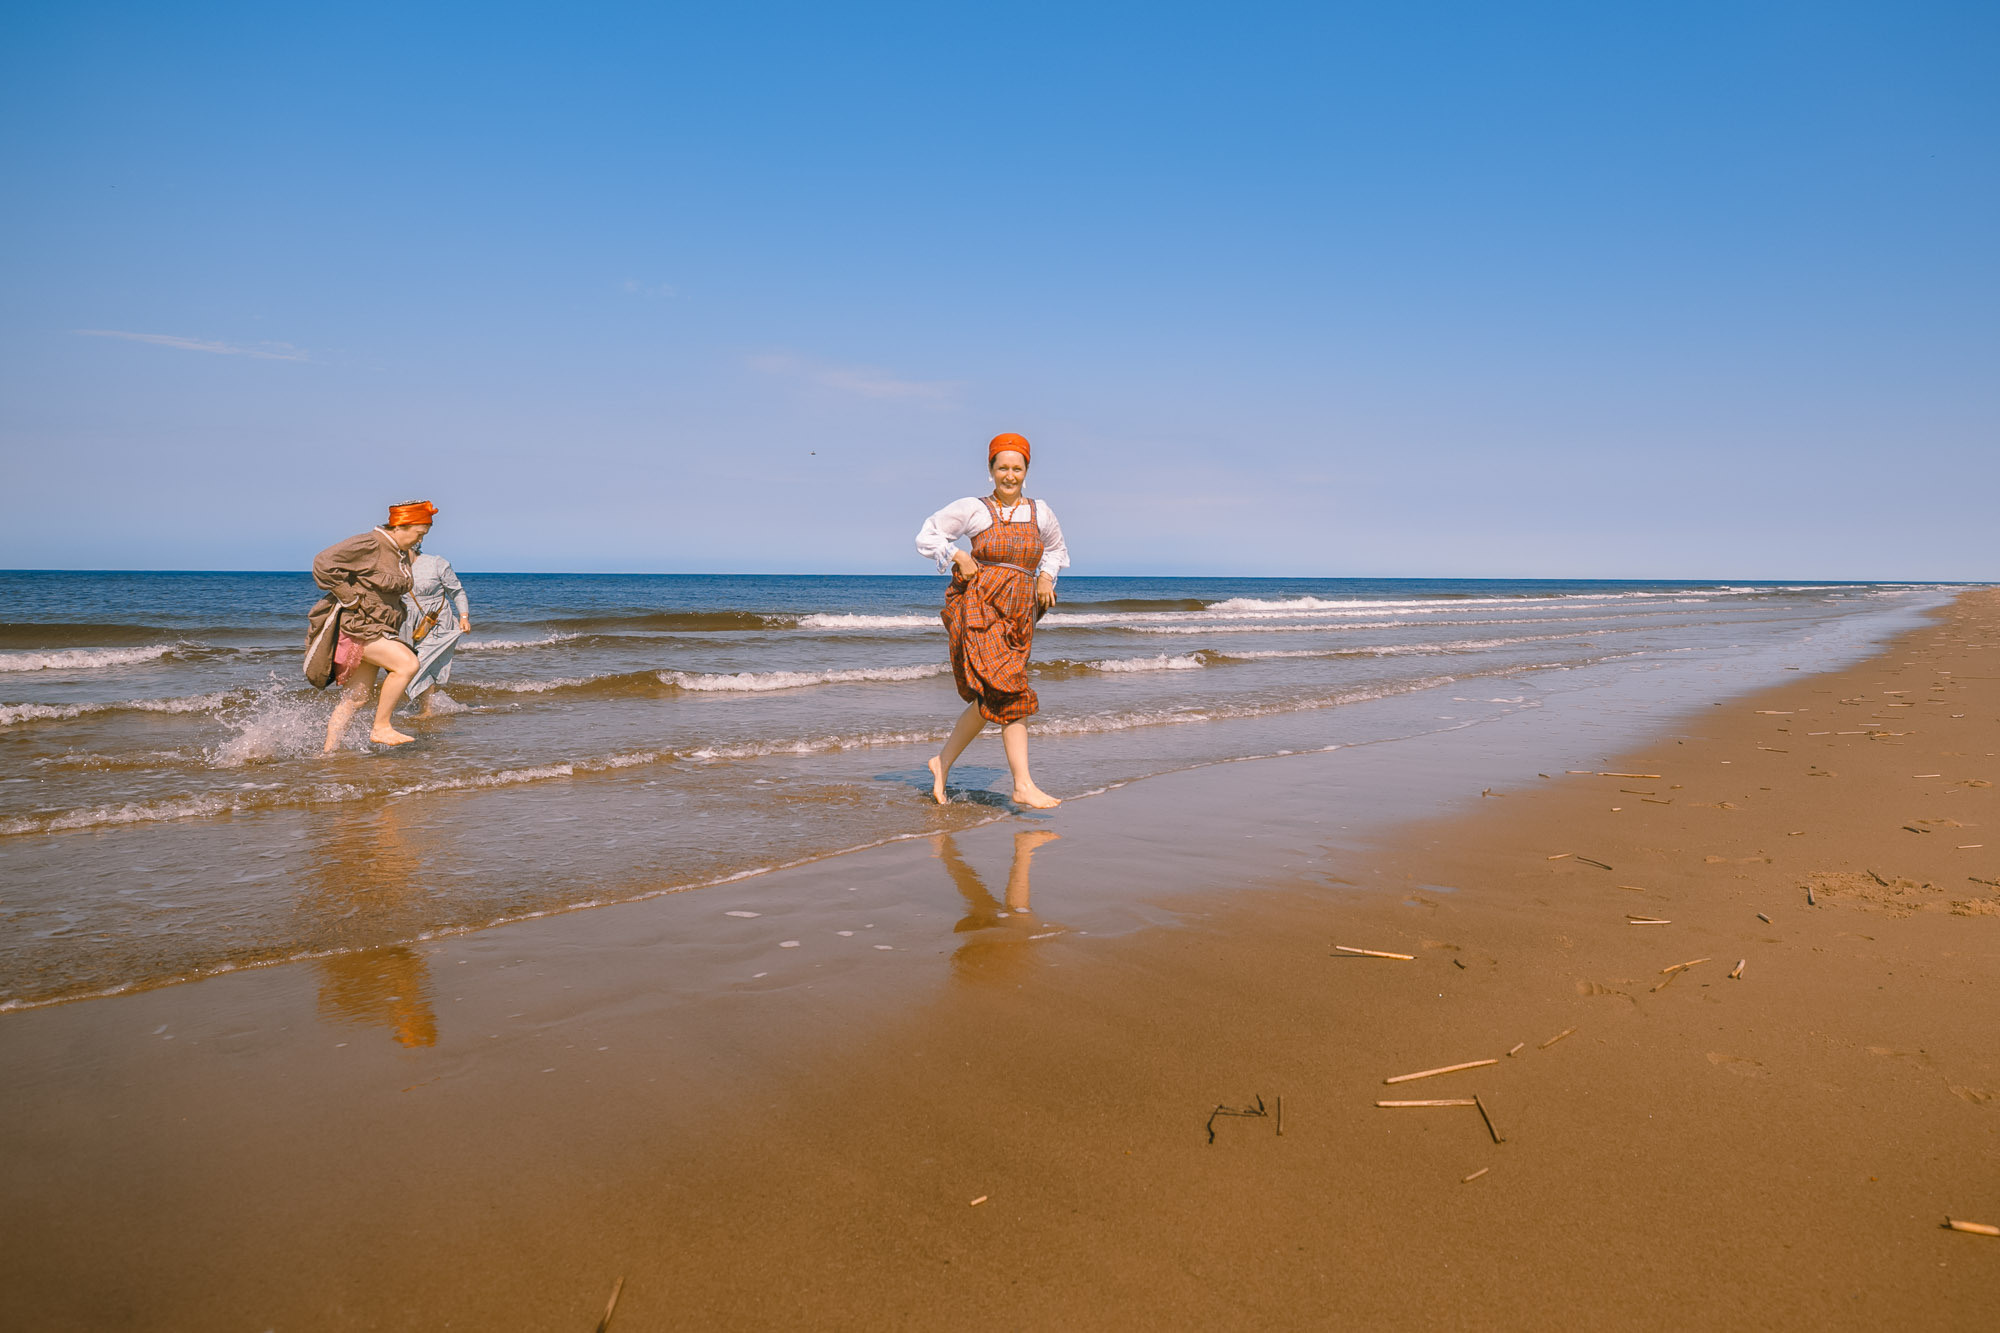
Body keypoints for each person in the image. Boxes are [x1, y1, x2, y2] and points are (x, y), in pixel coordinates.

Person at [915, 432, 1068, 808]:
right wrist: (958, 555)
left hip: (1021, 613)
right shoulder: (975, 508)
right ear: (990, 470)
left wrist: (1046, 576)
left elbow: (1056, 548)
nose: (1010, 475)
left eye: (1017, 468)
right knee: (1011, 689)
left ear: (1026, 471)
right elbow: (927, 535)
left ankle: (942, 762)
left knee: (994, 695)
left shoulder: (1041, 512)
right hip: (981, 605)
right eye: (1003, 468)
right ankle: (1023, 785)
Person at [312, 501, 435, 751]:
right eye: (418, 534)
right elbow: (323, 563)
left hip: (380, 628)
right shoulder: (371, 543)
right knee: (407, 664)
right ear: (401, 526)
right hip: (360, 626)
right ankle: (381, 727)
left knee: (355, 699)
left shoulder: (399, 553)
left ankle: (327, 754)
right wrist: (349, 597)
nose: (419, 541)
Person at [399, 544, 471, 716]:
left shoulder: (436, 563)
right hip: (405, 622)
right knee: (408, 663)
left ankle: (426, 709)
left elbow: (457, 592)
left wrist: (464, 617)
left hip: (436, 620)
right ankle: (423, 705)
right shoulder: (393, 566)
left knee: (422, 662)